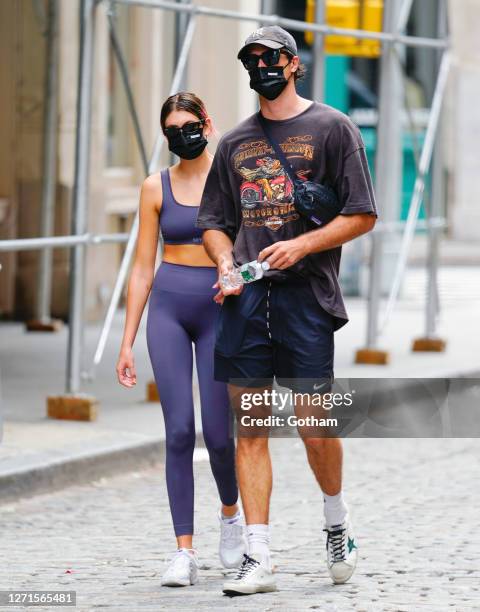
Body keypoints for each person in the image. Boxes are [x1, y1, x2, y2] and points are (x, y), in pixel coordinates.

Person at [196, 26, 378, 595]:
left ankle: (336, 521)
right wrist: (226, 262)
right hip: (247, 300)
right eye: (250, 60)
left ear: (293, 63)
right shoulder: (234, 143)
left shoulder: (332, 128)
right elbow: (214, 223)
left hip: (306, 297)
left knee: (313, 425)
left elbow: (363, 214)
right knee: (249, 428)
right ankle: (259, 556)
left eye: (270, 58)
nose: (260, 67)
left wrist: (302, 244)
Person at [116, 92, 246, 588]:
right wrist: (126, 343)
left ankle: (231, 516)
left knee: (218, 436)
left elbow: (250, 248)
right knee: (176, 432)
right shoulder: (155, 187)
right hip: (169, 308)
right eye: (173, 130)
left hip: (218, 312)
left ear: (207, 123)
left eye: (190, 125)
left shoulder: (232, 178)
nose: (182, 135)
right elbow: (142, 269)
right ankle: (183, 551)